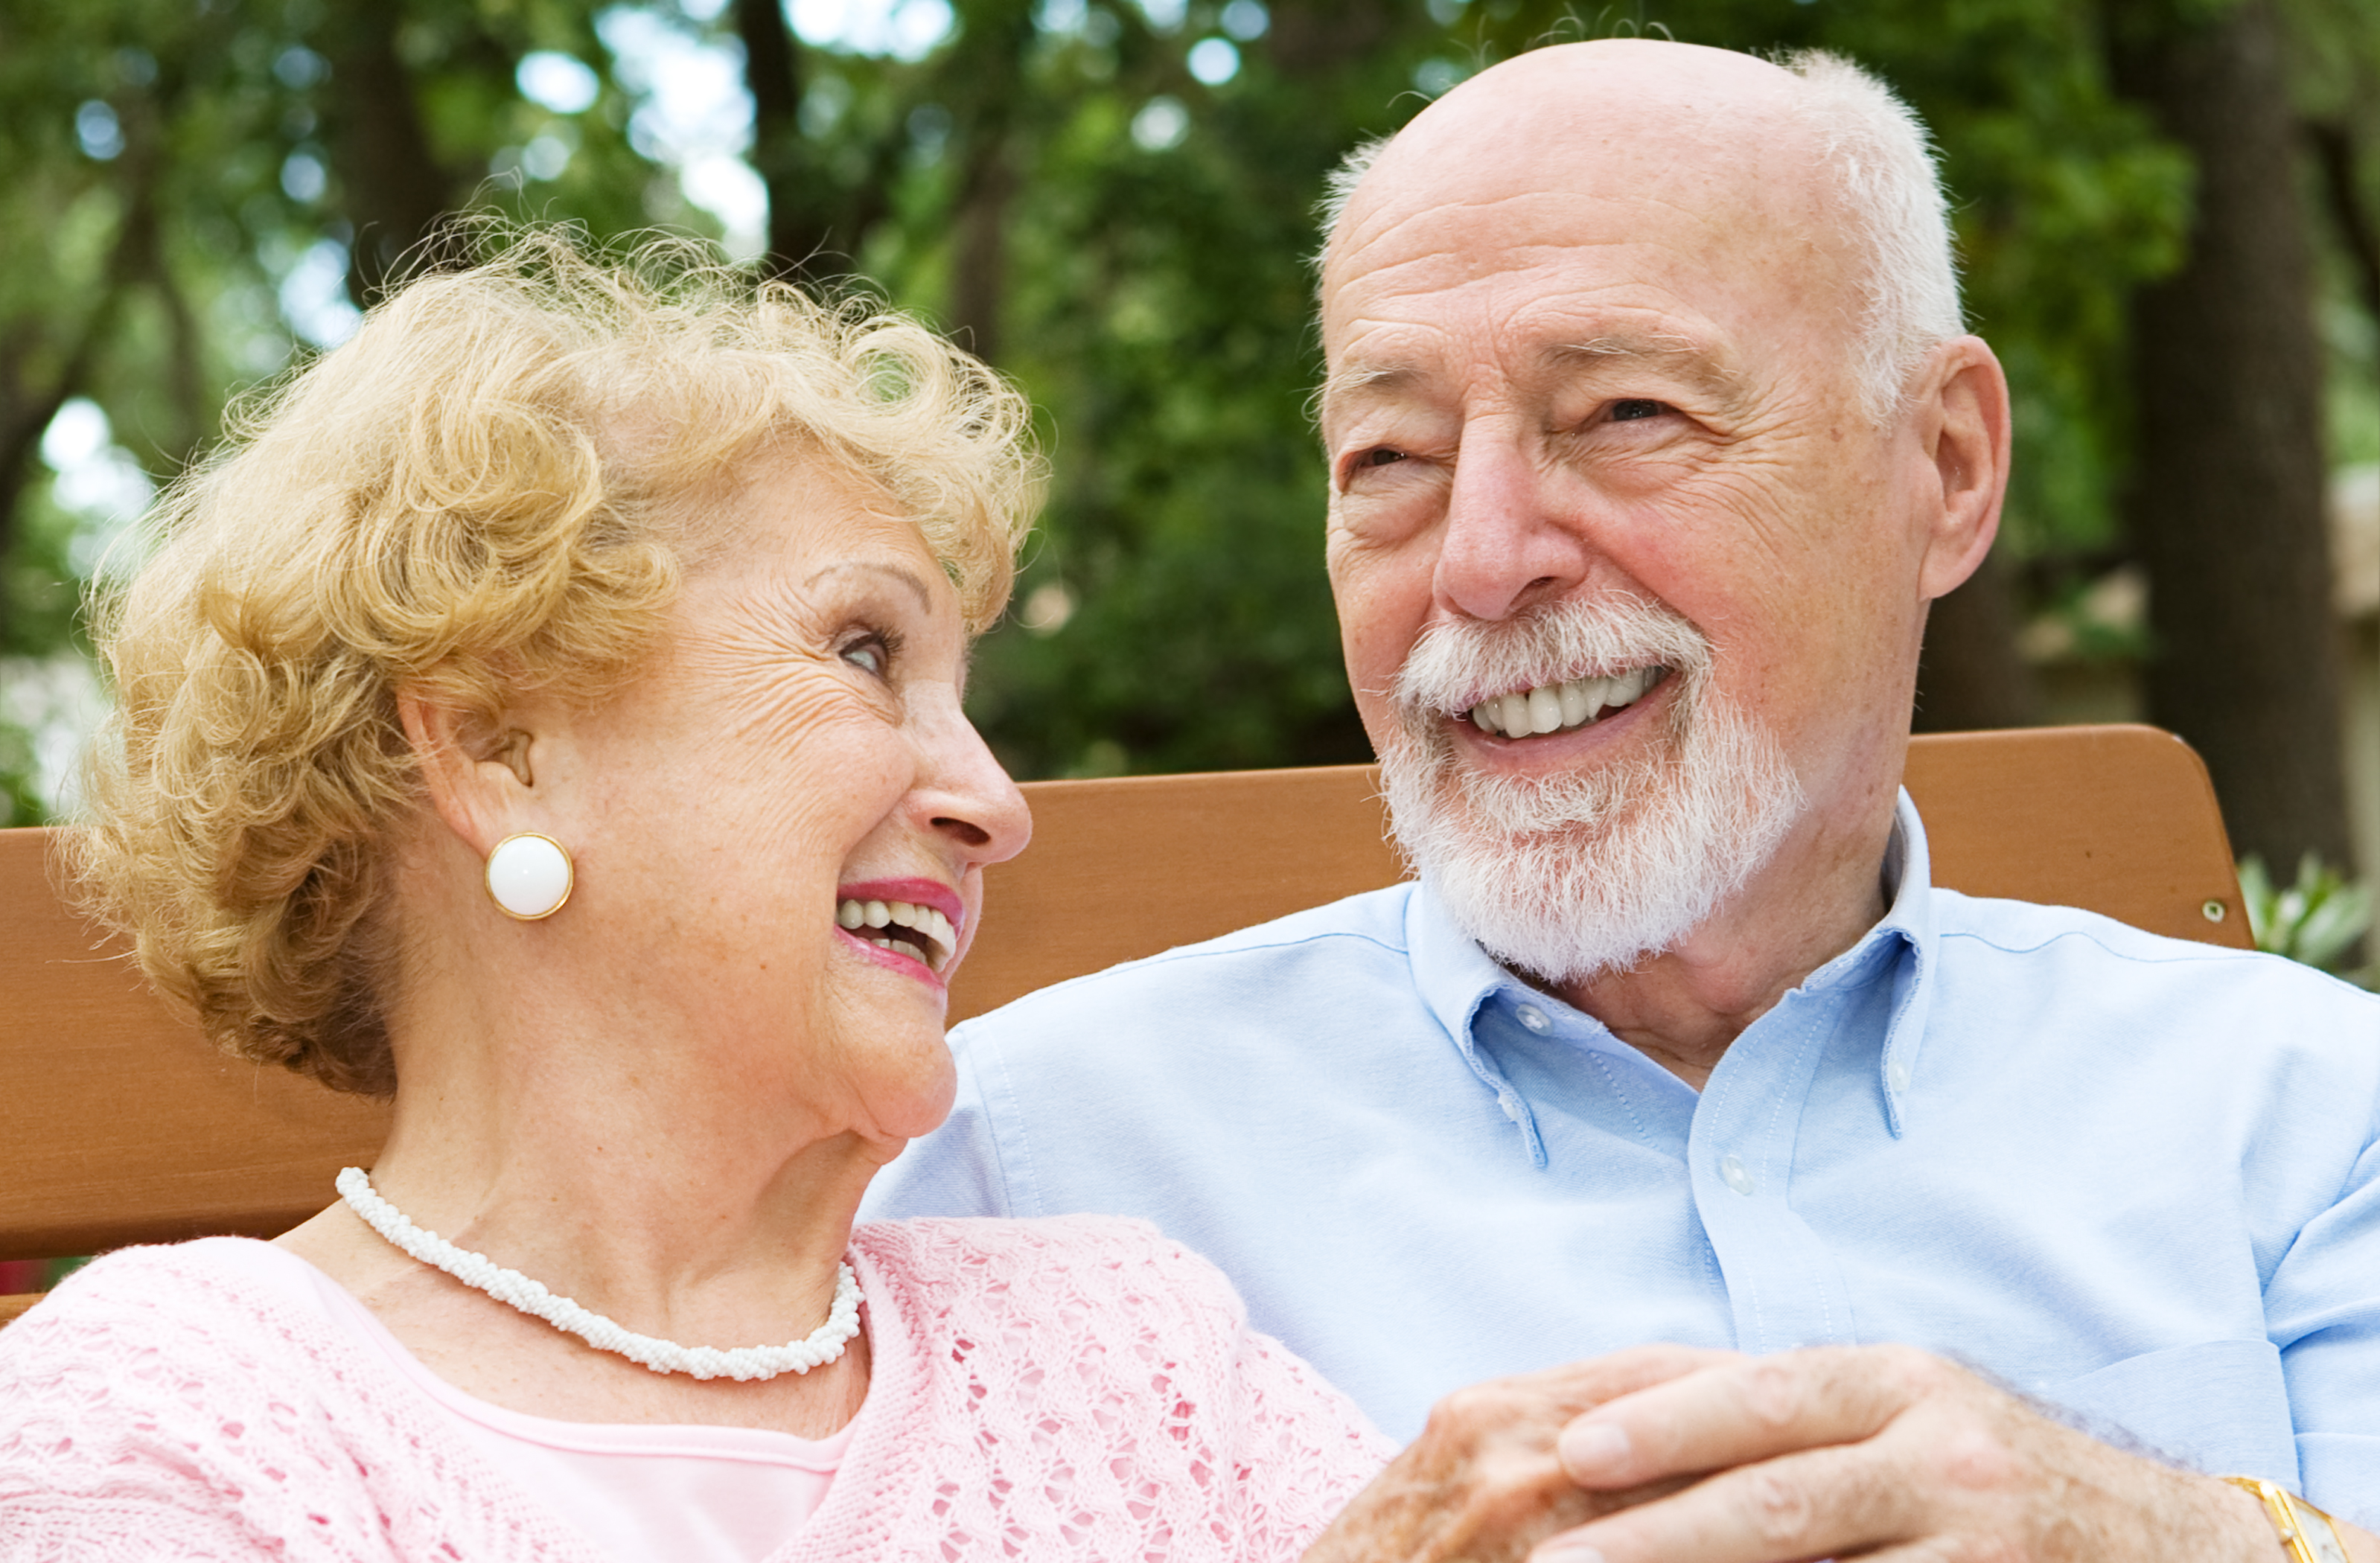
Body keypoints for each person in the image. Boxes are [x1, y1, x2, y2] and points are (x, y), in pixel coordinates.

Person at [867, 39, 2380, 1562]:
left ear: (1948, 463)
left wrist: (2157, 1530)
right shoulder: (1015, 1163)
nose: (1480, 559)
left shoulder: (2309, 1122)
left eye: (1628, 415)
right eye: (1389, 455)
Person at [0, 231, 1396, 1559]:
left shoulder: (1132, 1352)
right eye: (862, 651)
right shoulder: (159, 1427)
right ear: (501, 749)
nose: (995, 805)